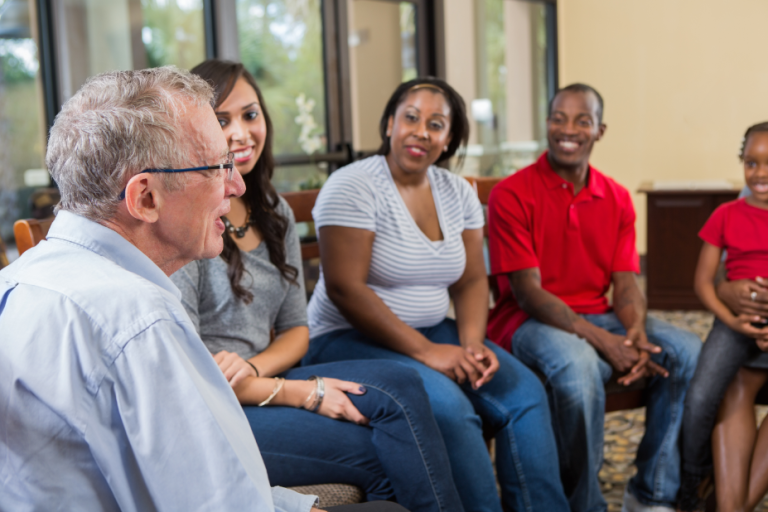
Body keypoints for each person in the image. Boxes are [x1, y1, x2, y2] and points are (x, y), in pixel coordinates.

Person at [0, 67, 402, 512]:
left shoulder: (19, 279)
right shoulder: (139, 320)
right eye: (217, 167)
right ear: (146, 197)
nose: (238, 184)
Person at [170, 59, 463, 512]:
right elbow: (186, 368)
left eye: (250, 114)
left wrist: (256, 369)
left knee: (400, 385)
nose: (241, 132)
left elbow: (296, 331)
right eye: (220, 119)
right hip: (212, 409)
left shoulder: (272, 210)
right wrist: (301, 392)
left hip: (259, 376)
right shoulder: (185, 219)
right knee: (385, 451)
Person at [302, 77, 570, 512]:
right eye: (411, 117)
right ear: (389, 123)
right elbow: (345, 289)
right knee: (449, 407)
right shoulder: (353, 185)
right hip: (346, 339)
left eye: (436, 124)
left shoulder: (457, 191)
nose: (421, 131)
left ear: (449, 139)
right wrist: (429, 352)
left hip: (432, 333)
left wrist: (470, 345)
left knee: (524, 394)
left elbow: (469, 280)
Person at [485, 83, 702, 512]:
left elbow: (624, 283)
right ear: (547, 125)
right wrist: (602, 340)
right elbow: (527, 293)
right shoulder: (511, 194)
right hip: (525, 322)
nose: (569, 129)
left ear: (599, 130)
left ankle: (651, 495)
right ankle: (585, 504)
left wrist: (635, 331)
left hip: (596, 313)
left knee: (687, 349)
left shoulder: (618, 198)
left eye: (582, 120)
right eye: (559, 118)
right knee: (579, 365)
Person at [678, 122, 768, 512]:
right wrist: (730, 320)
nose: (760, 173)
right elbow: (703, 283)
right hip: (731, 322)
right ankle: (695, 481)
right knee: (700, 395)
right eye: (751, 162)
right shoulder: (726, 214)